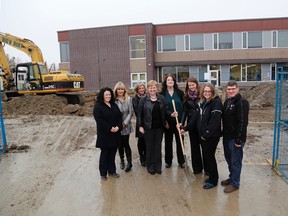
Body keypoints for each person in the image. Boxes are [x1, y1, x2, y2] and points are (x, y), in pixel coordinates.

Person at [137, 80, 175, 175]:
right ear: (148, 89)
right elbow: (139, 114)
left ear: (156, 88)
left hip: (159, 127)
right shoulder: (143, 99)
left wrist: (171, 114)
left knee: (158, 147)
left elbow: (166, 110)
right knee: (149, 147)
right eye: (150, 87)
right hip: (148, 127)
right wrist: (140, 126)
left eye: (154, 87)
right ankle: (150, 166)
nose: (152, 89)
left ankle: (158, 166)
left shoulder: (161, 98)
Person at [222, 80, 249, 193]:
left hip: (235, 138)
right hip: (227, 136)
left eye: (233, 89)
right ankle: (232, 177)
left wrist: (238, 139)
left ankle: (235, 183)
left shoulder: (242, 102)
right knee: (229, 159)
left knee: (235, 161)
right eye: (229, 89)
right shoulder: (228, 101)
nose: (231, 91)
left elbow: (242, 122)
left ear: (237, 89)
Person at [93, 87, 122, 181]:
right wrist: (110, 128)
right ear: (102, 95)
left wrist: (118, 127)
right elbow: (99, 120)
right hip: (105, 135)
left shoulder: (114, 105)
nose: (108, 96)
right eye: (106, 95)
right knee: (105, 154)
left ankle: (112, 171)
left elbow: (119, 117)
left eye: (109, 94)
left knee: (112, 154)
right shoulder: (98, 106)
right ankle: (103, 174)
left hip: (115, 134)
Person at [197, 83, 223, 189]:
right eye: (205, 91)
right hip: (205, 135)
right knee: (208, 157)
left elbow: (215, 121)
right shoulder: (205, 103)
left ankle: (213, 180)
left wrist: (206, 134)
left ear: (212, 92)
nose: (207, 93)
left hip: (211, 136)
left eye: (209, 91)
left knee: (210, 157)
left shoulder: (216, 102)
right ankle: (212, 176)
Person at [180, 77, 207, 174]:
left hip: (201, 124)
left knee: (204, 147)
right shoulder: (186, 97)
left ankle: (207, 168)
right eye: (189, 85)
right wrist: (182, 123)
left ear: (196, 84)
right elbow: (185, 111)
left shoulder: (202, 95)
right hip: (191, 125)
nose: (191, 87)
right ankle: (197, 168)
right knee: (194, 147)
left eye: (193, 85)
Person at [160, 74, 185, 169]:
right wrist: (164, 122)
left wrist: (182, 121)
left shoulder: (180, 93)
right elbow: (161, 110)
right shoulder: (162, 94)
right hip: (168, 123)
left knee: (180, 142)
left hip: (179, 122)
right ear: (165, 82)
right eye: (168, 80)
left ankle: (181, 161)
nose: (170, 81)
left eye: (172, 80)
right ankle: (168, 161)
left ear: (174, 82)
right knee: (168, 142)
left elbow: (184, 108)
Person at [114, 82, 134, 172]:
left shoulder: (129, 99)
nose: (120, 91)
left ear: (124, 90)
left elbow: (131, 113)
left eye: (122, 89)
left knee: (126, 144)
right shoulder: (114, 100)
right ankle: (122, 160)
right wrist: (118, 125)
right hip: (117, 126)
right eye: (119, 89)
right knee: (119, 144)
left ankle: (129, 163)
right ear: (116, 90)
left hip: (126, 126)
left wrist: (125, 123)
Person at [132, 82, 147, 167]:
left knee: (147, 140)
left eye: (142, 88)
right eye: (140, 88)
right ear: (137, 89)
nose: (141, 90)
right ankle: (142, 157)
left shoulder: (147, 97)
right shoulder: (135, 99)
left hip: (148, 122)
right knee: (141, 140)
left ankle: (147, 156)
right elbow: (137, 112)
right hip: (140, 122)